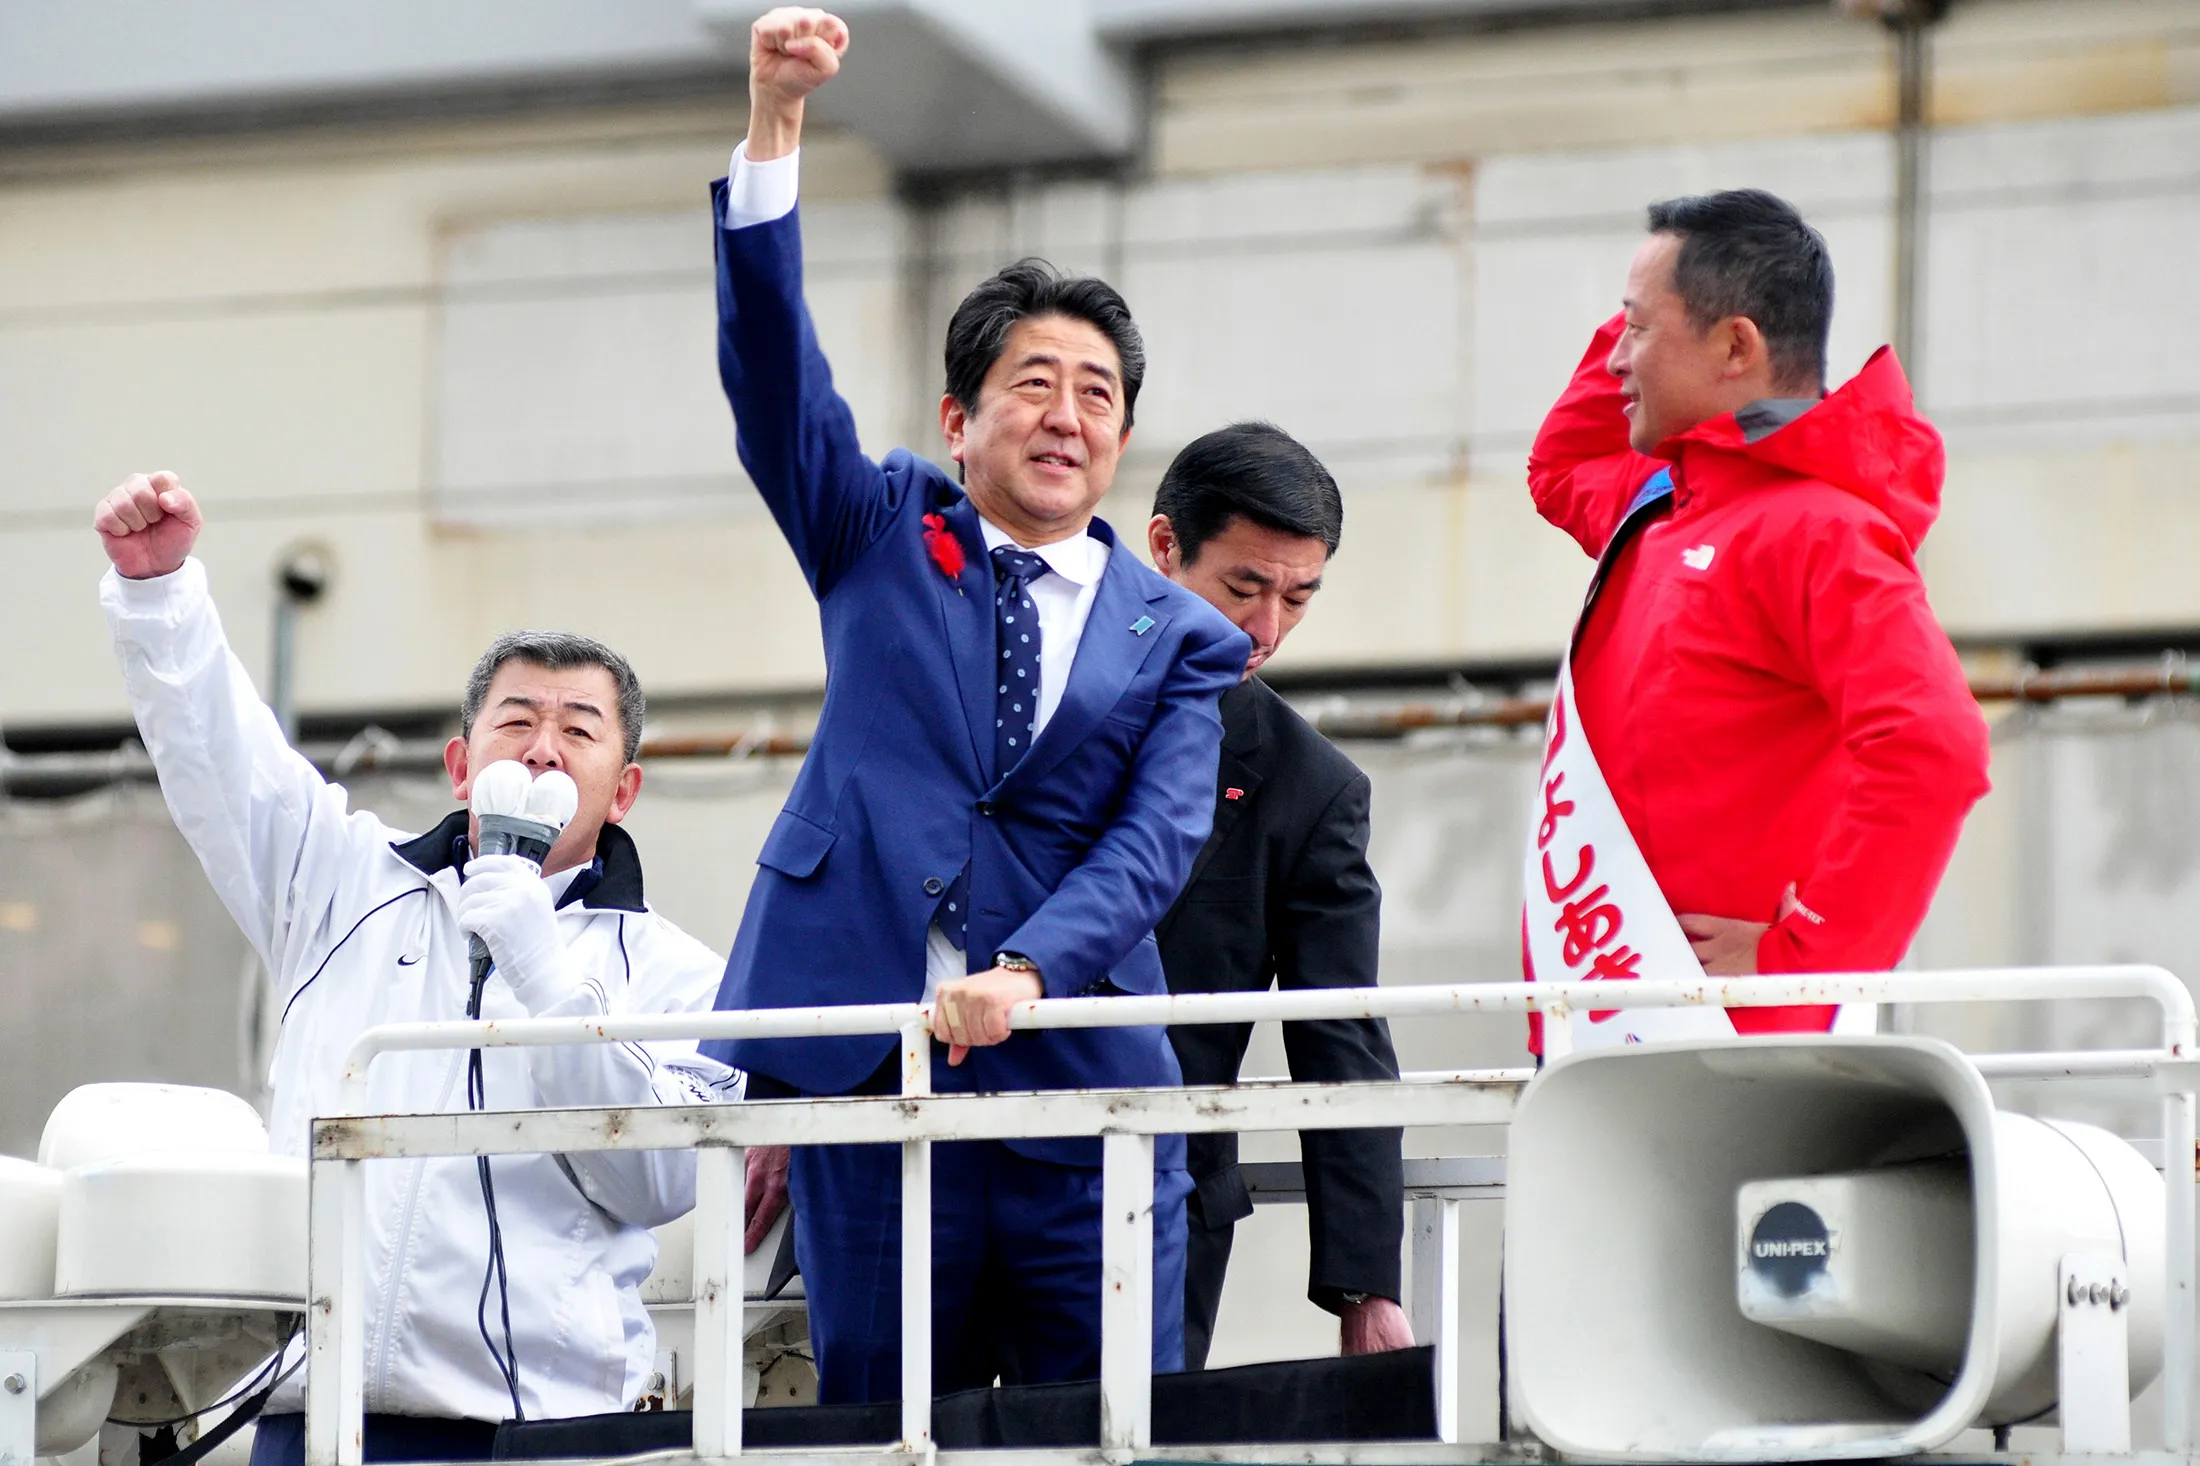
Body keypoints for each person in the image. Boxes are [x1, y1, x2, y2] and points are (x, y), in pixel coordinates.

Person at [704, 7, 1248, 1404]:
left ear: (1123, 436)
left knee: (1109, 1422)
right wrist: (776, 125)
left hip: (1082, 1076)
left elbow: (1155, 841)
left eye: (1098, 395)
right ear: (960, 420)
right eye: (1033, 385)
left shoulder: (1178, 635)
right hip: (872, 1066)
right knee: (883, 1418)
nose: (1067, 416)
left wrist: (1031, 972)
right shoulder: (879, 528)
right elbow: (776, 383)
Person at [92, 473, 738, 1466]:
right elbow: (223, 760)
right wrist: (160, 592)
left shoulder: (680, 974)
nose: (543, 748)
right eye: (515, 721)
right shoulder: (342, 878)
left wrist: (545, 976)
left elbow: (656, 1177)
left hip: (542, 1431)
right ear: (460, 763)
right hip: (313, 1415)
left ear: (625, 789)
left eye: (579, 728)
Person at [1523, 188, 1991, 1049]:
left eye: (1638, 329)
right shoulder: (1668, 501)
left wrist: (1805, 957)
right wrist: (1656, 295)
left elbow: (1934, 747)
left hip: (1739, 1044)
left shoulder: (1820, 529)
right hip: (1626, 1033)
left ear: (1736, 345)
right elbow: (1563, 468)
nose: (1616, 359)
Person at [1145, 424, 1413, 1367]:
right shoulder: (1030, 692)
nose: (1265, 629)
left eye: (1298, 597)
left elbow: (1340, 1030)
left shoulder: (1312, 789)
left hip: (1163, 1204)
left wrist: (1367, 1284)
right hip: (946, 1178)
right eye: (1244, 587)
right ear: (1165, 546)